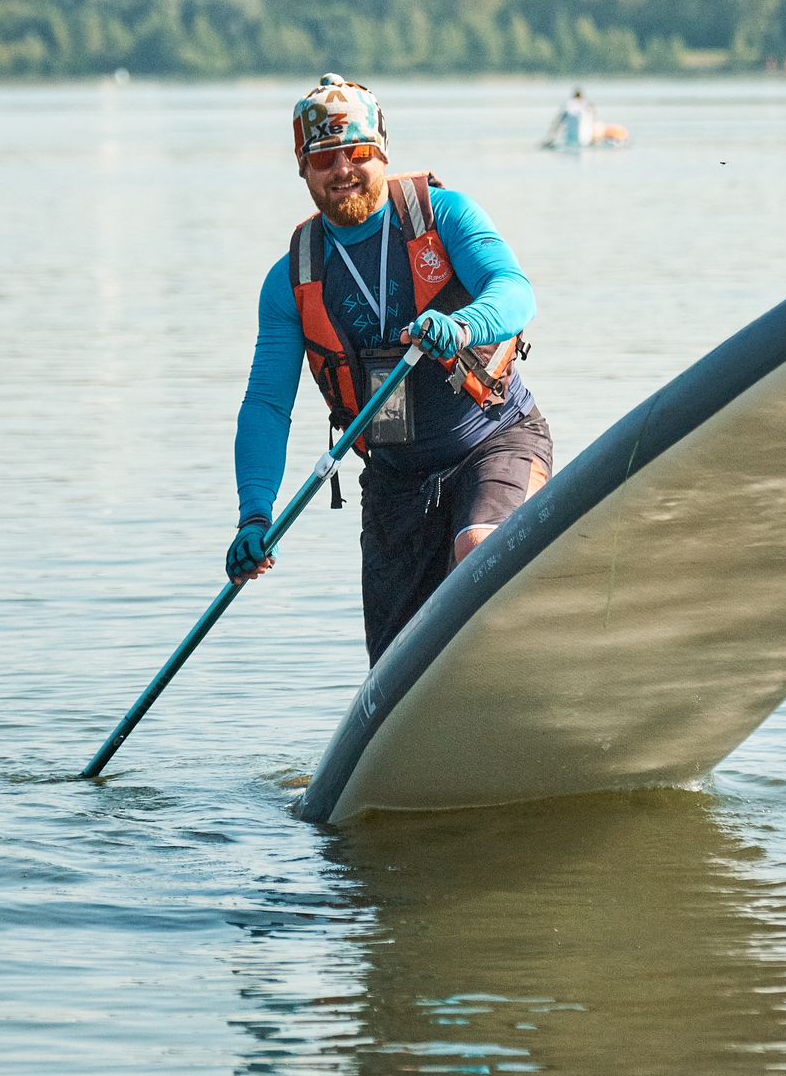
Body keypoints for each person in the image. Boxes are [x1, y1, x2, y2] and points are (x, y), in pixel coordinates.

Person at [225, 73, 552, 666]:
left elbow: (515, 292)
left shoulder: (442, 215)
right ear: (302, 169)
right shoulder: (291, 280)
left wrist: (465, 325)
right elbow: (267, 405)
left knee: (477, 545)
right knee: (397, 669)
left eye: (356, 153)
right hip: (395, 483)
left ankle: (526, 681)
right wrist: (255, 511)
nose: (342, 170)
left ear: (381, 152)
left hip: (495, 439)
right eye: (324, 158)